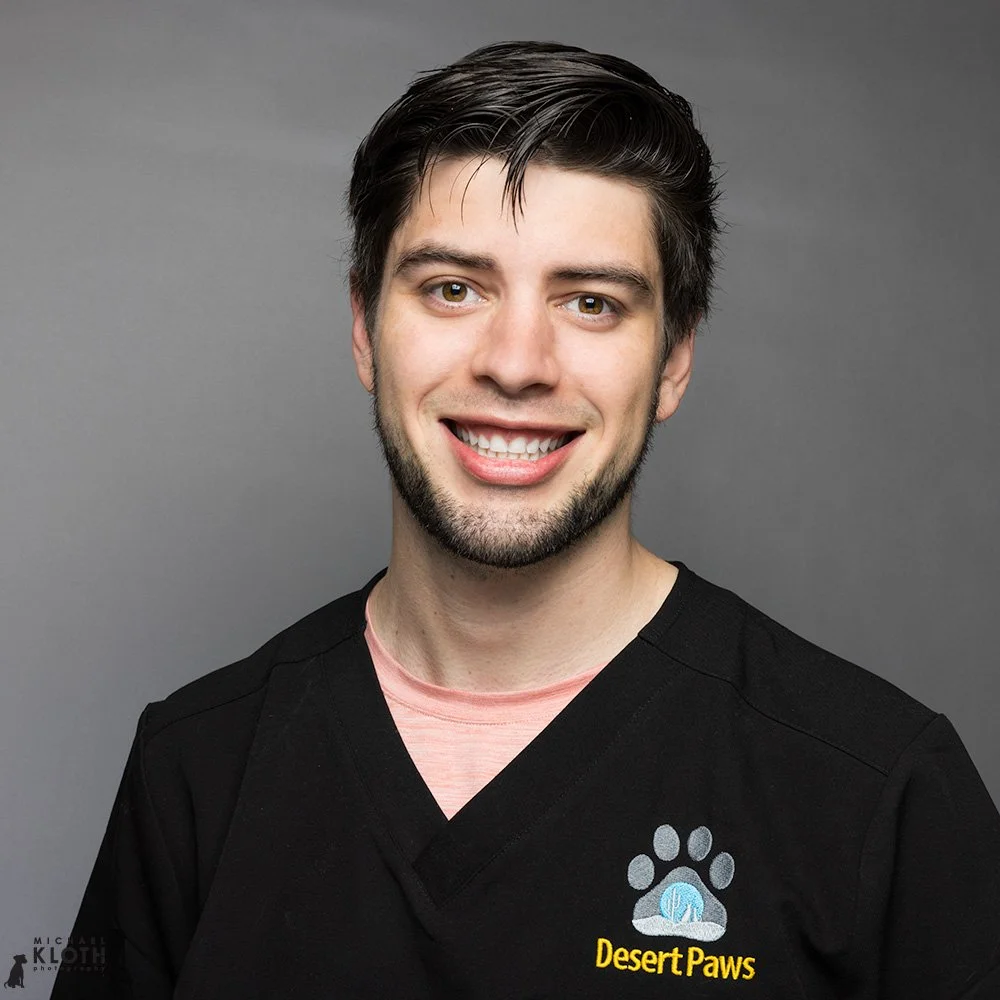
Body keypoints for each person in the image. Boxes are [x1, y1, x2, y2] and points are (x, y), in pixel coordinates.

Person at [51, 40, 1000, 999]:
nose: (516, 363)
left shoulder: (876, 793)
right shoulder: (196, 770)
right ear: (363, 327)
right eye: (453, 289)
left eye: (591, 303)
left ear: (672, 361)